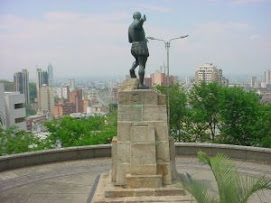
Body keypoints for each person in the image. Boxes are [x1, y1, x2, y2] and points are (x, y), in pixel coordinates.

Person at [128, 11, 149, 88]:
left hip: (133, 47)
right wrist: (142, 20)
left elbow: (130, 40)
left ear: (133, 17)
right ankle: (141, 84)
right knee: (141, 64)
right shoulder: (137, 24)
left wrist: (142, 38)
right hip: (141, 47)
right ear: (139, 17)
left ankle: (132, 69)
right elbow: (138, 25)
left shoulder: (130, 27)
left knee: (137, 61)